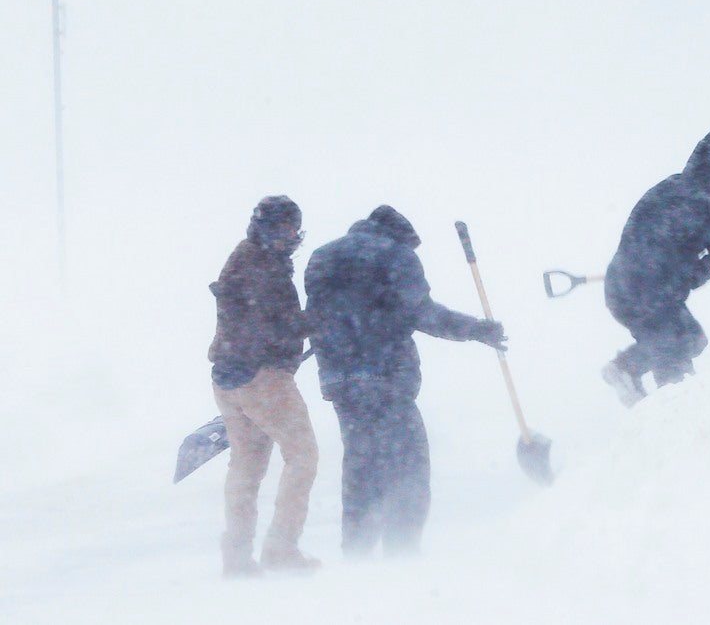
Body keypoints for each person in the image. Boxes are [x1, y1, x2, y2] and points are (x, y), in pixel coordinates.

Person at [304, 205, 506, 556]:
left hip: (341, 382)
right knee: (409, 468)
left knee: (361, 468)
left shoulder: (322, 257)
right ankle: (402, 555)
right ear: (399, 236)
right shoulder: (395, 254)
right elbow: (423, 314)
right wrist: (476, 330)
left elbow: (318, 319)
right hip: (386, 378)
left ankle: (356, 554)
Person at [207, 195, 320, 577]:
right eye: (284, 229)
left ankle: (236, 557)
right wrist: (322, 320)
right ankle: (281, 548)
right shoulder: (263, 267)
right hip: (262, 378)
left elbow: (258, 320)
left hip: (228, 377)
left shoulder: (245, 258)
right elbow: (279, 325)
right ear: (265, 228)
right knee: (302, 456)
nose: (290, 236)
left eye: (293, 229)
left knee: (246, 468)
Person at [601, 132, 710, 406]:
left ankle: (632, 374)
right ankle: (670, 404)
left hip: (628, 287)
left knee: (689, 338)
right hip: (644, 294)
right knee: (674, 346)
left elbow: (677, 260)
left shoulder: (674, 190)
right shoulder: (695, 203)